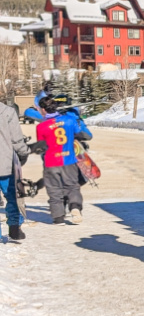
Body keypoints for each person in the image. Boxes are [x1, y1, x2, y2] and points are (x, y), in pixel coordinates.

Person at [34, 94, 92, 225]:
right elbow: (80, 133)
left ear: (43, 110)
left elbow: (41, 146)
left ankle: (58, 217)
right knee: (72, 186)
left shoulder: (41, 127)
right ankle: (75, 207)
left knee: (54, 190)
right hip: (69, 160)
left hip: (51, 162)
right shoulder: (69, 120)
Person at [0, 101, 30, 241]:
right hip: (5, 163)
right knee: (12, 196)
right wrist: (24, 153)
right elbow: (16, 140)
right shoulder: (7, 111)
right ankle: (14, 227)